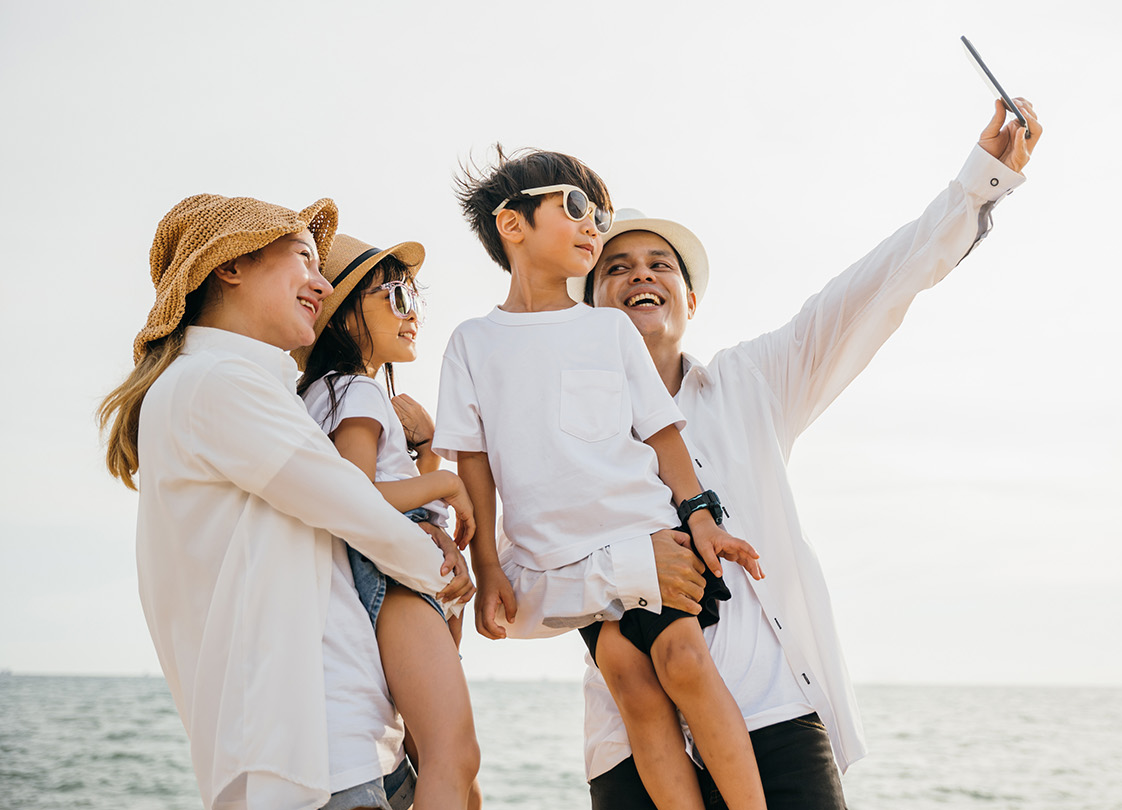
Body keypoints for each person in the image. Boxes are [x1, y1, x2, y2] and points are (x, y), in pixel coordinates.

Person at [495, 98, 1043, 808]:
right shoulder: (553, 433)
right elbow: (512, 598)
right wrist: (628, 573)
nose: (641, 277)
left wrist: (979, 181)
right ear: (588, 312)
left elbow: (875, 289)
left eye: (660, 266)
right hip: (633, 754)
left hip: (775, 724)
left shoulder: (751, 384)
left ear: (690, 300)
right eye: (618, 268)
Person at [97, 195, 476, 810]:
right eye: (303, 256)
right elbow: (356, 508)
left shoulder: (249, 387)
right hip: (310, 751)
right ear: (231, 265)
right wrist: (446, 570)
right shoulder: (219, 383)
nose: (320, 284)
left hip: (330, 742)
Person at [436, 148, 768, 810]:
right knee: (626, 678)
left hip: (652, 538)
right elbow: (472, 466)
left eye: (602, 214)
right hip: (571, 562)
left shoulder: (608, 329)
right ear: (513, 224)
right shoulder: (472, 343)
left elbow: (663, 434)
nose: (596, 225)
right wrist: (487, 567)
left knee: (680, 660)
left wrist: (701, 520)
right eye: (579, 207)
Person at [296, 233, 483, 810]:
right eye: (394, 296)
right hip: (396, 582)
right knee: (454, 757)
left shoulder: (339, 393)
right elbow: (357, 496)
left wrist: (424, 446)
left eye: (413, 298)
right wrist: (449, 482)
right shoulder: (352, 390)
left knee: (447, 770)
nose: (413, 314)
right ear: (345, 317)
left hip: (401, 581)